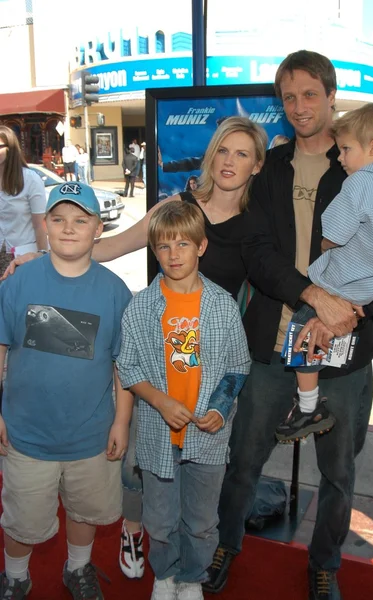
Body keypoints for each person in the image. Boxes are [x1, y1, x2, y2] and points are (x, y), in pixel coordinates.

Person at [3, 116, 267, 580]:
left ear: (256, 164)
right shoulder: (173, 209)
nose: (230, 161)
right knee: (142, 461)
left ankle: (196, 561)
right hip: (156, 347)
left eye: (242, 153)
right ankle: (135, 529)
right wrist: (46, 257)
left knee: (201, 473)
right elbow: (110, 243)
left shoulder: (256, 226)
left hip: (208, 358)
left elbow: (272, 279)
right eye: (223, 150)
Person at [203, 50, 373, 600]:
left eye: (310, 94)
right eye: (288, 97)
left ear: (332, 95)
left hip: (345, 345)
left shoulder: (364, 164)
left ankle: (326, 563)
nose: (299, 106)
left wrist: (345, 313)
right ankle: (226, 544)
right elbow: (259, 253)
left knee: (339, 473)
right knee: (244, 460)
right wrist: (314, 296)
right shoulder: (272, 168)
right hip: (272, 342)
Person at [0, 182, 133, 599]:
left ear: (98, 229)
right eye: (58, 219)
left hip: (90, 436)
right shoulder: (19, 282)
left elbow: (122, 365)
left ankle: (78, 568)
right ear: (45, 225)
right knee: (22, 520)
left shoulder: (115, 292)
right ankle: (16, 577)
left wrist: (121, 422)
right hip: (27, 435)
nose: (69, 228)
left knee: (85, 510)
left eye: (80, 219)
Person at [116, 200, 251, 600]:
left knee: (201, 521)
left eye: (183, 245)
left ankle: (192, 578)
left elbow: (237, 368)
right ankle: (165, 574)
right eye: (164, 247)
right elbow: (128, 366)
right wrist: (158, 400)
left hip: (207, 439)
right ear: (154, 251)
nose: (174, 255)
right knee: (159, 520)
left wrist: (218, 408)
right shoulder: (141, 306)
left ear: (201, 247)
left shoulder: (222, 306)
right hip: (159, 436)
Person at [275, 103, 373, 442]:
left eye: (345, 149)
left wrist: (326, 243)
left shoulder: (358, 183)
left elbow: (333, 232)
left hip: (344, 281)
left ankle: (309, 406)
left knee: (301, 334)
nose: (340, 157)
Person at [0, 125, 48, 277]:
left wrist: (43, 256)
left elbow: (40, 225)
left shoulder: (29, 179)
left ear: (11, 148)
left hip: (22, 256)